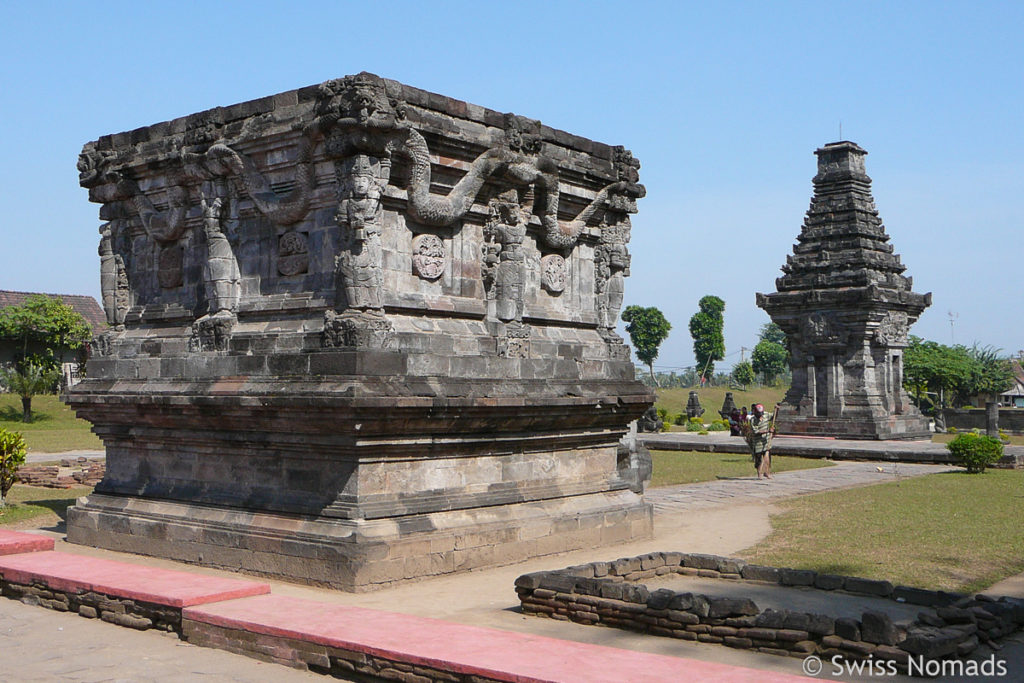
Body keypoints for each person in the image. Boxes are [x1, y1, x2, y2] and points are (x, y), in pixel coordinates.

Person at [746, 403, 774, 479]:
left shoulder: (766, 414)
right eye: (758, 414)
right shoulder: (753, 420)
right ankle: (759, 474)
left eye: (761, 414)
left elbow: (773, 416)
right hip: (757, 442)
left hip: (766, 441)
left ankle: (767, 473)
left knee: (767, 458)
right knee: (758, 459)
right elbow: (756, 431)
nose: (760, 415)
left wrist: (777, 409)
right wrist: (768, 430)